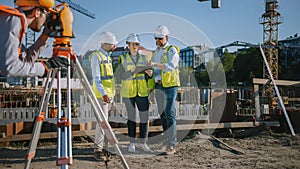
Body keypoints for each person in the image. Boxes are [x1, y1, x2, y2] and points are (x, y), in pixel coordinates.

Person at [0, 0, 69, 78]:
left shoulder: (9, 21)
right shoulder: (14, 20)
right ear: (37, 12)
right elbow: (10, 67)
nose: (46, 21)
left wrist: (45, 35)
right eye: (46, 14)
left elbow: (25, 60)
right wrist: (45, 68)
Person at [116, 33, 153, 153]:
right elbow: (119, 76)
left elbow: (148, 75)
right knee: (131, 118)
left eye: (137, 44)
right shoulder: (123, 59)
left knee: (144, 118)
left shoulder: (143, 59)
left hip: (142, 92)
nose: (135, 46)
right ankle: (131, 143)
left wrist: (149, 74)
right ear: (128, 44)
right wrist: (131, 72)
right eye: (133, 44)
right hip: (128, 92)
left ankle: (143, 143)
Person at [148, 24, 180, 155]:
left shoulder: (173, 50)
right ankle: (167, 141)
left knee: (169, 113)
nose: (157, 41)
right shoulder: (155, 52)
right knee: (162, 114)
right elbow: (155, 71)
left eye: (160, 38)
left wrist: (155, 64)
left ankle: (172, 144)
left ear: (166, 37)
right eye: (156, 38)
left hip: (170, 86)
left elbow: (171, 67)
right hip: (158, 86)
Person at [88, 31, 118, 160]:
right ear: (106, 44)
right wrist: (104, 93)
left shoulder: (107, 57)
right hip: (101, 96)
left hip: (108, 96)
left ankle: (103, 148)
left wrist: (110, 94)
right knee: (103, 123)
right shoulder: (96, 56)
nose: (114, 47)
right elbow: (96, 78)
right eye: (112, 45)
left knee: (105, 122)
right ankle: (98, 149)